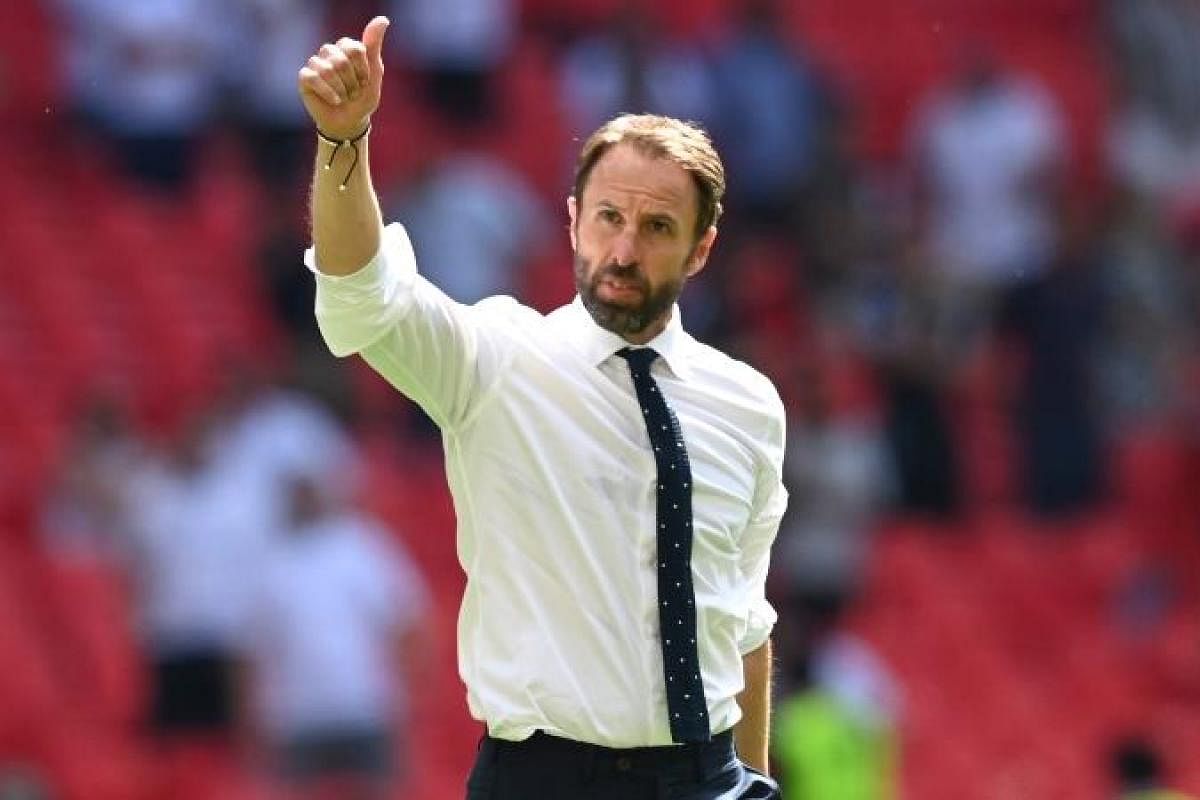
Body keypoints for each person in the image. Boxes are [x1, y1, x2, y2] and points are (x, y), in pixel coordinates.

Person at [296, 16, 785, 800]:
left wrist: (752, 779)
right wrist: (343, 140)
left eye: (658, 227)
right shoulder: (496, 358)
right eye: (608, 218)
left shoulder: (750, 405)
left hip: (713, 778)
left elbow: (744, 625)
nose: (624, 250)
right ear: (572, 220)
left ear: (701, 248)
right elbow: (362, 296)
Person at [245, 470, 431, 800]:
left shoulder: (362, 544)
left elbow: (405, 620)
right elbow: (252, 650)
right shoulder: (270, 560)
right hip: (295, 716)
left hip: (366, 706)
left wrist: (407, 694)